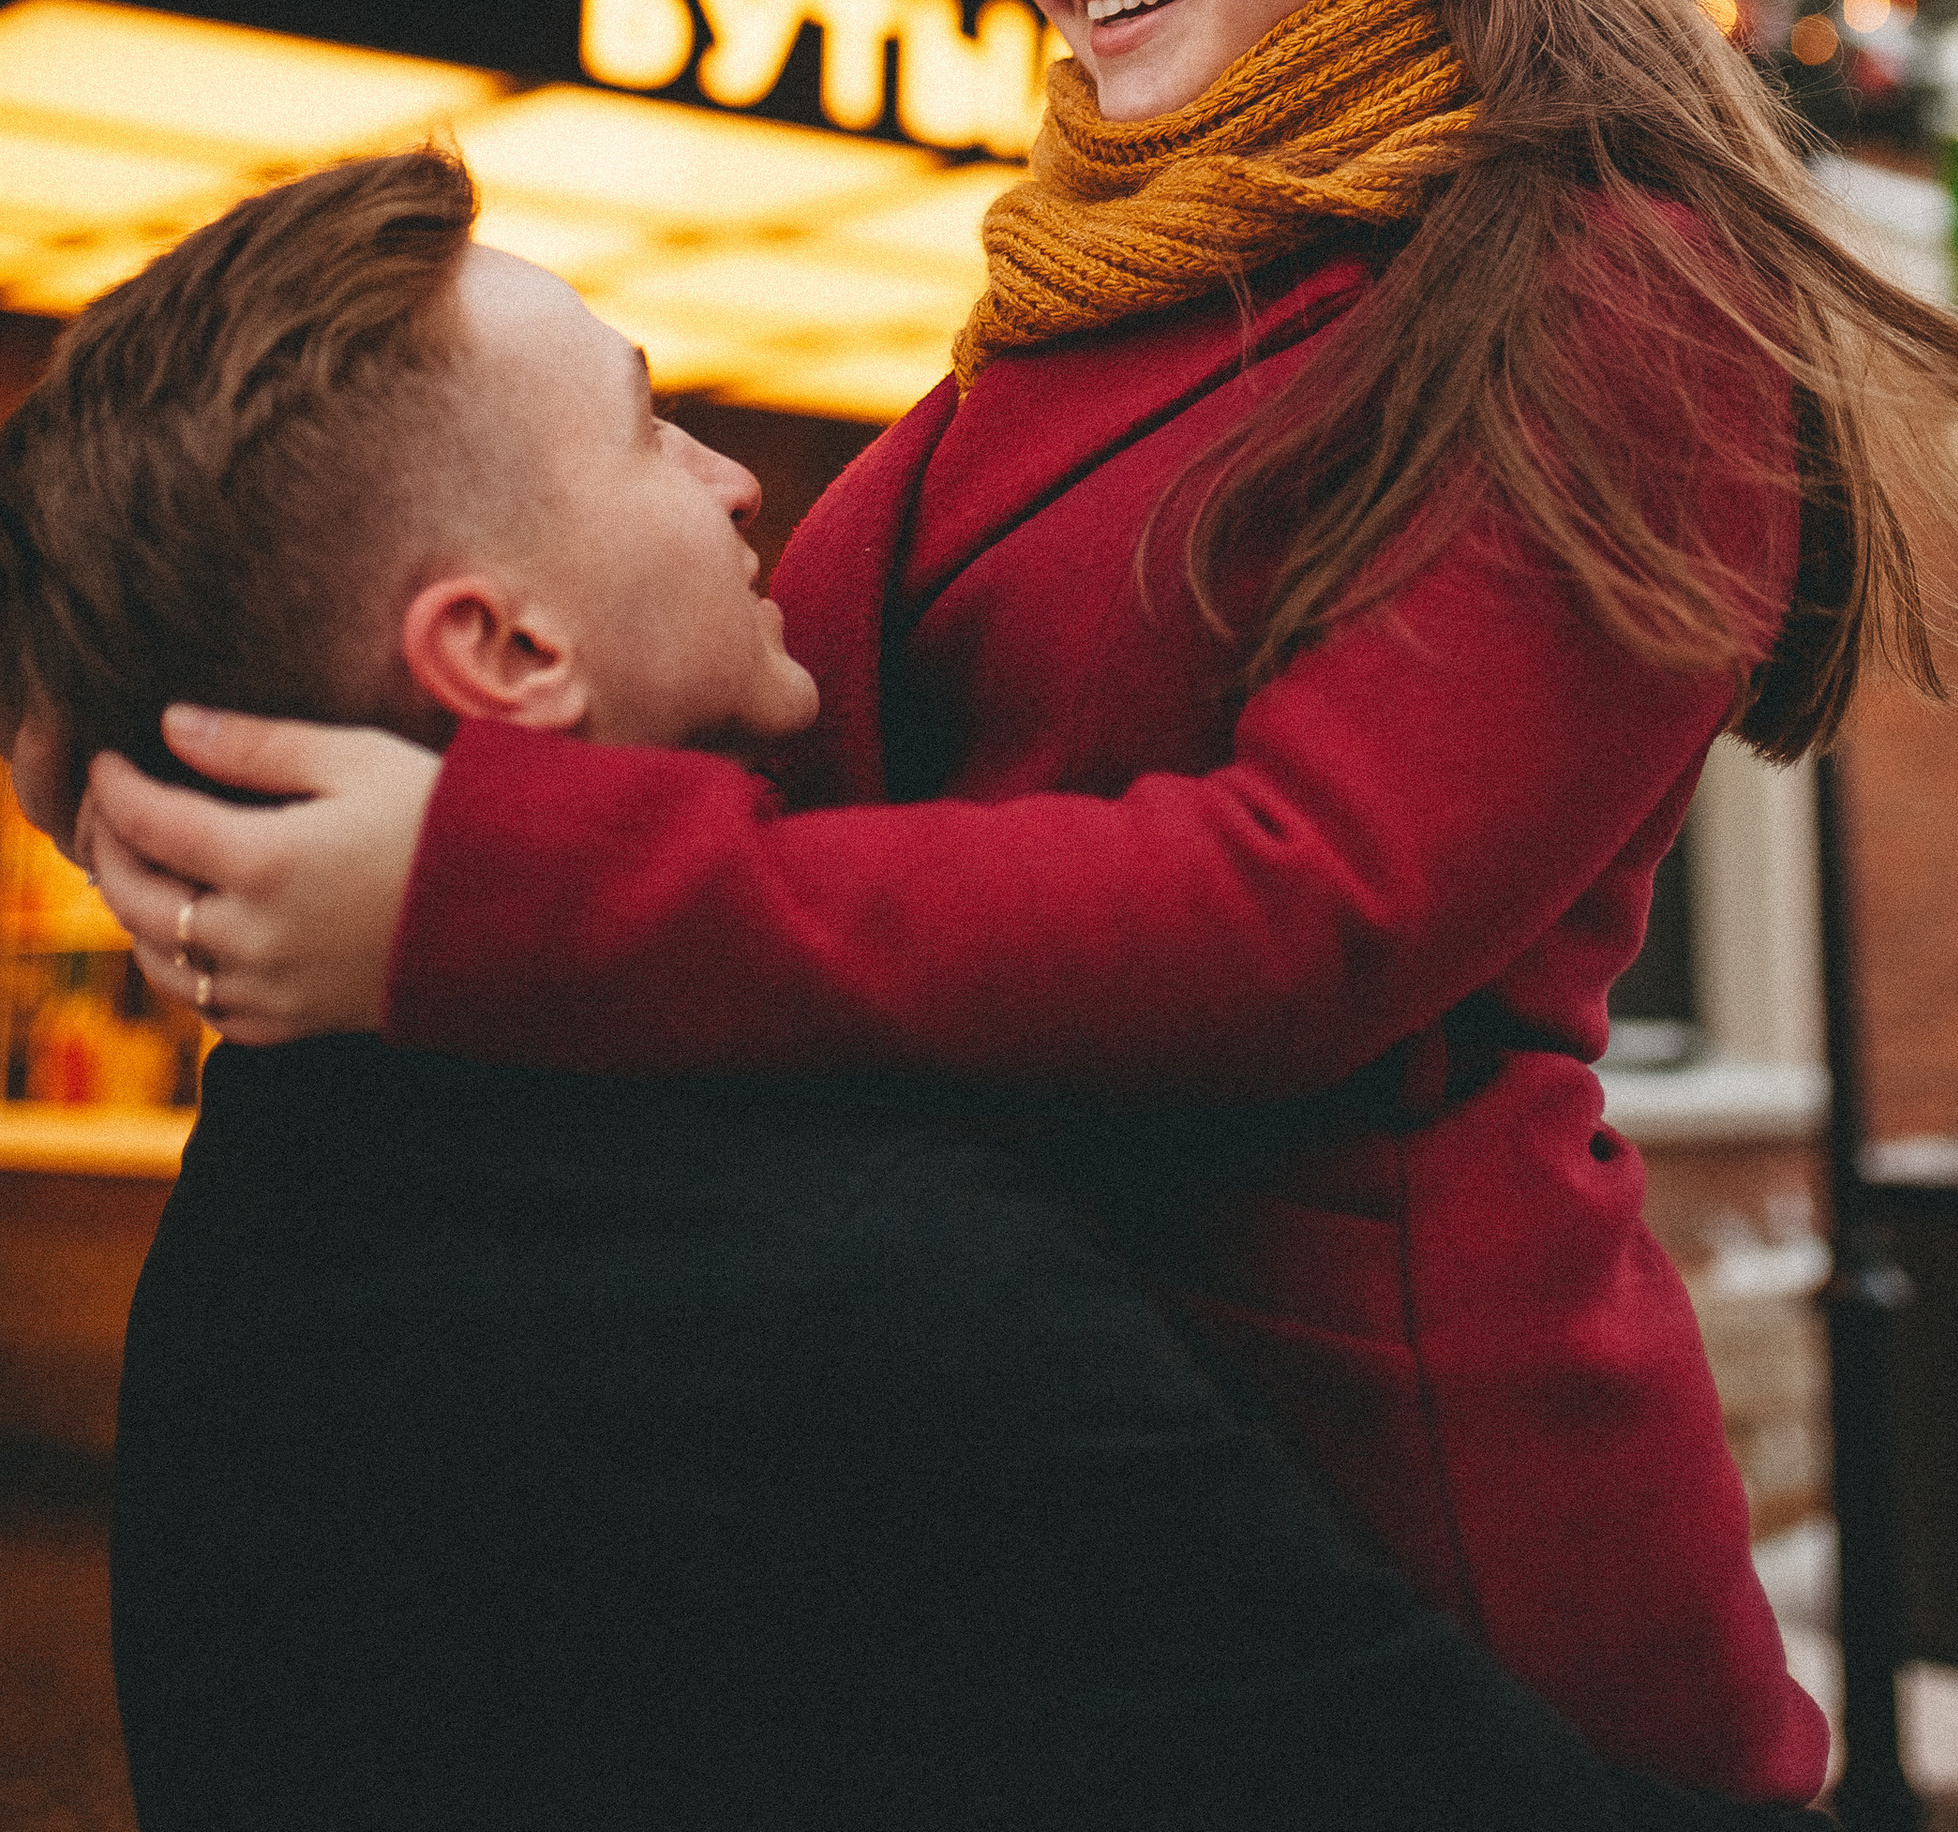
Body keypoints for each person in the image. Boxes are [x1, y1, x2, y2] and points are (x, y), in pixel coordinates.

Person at [68, 0, 1958, 1803]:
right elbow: (767, 755)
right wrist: (219, 753)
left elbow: (1304, 905)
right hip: (1007, 1483)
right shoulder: (1086, 302)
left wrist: (480, 895)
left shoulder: (1602, 278)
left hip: (1384, 1541)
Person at [0, 150, 1812, 1832]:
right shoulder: (868, 1281)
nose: (733, 479)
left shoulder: (257, 1246)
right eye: (649, 428)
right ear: (503, 652)